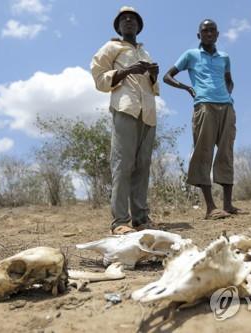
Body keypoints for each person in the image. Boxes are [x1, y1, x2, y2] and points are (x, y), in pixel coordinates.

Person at [91, 6, 159, 234]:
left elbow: (153, 86)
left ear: (139, 26)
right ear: (118, 26)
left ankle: (140, 219)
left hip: (147, 113)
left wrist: (154, 75)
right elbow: (99, 77)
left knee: (143, 166)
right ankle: (120, 221)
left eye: (133, 19)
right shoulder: (112, 47)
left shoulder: (145, 53)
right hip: (126, 108)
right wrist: (127, 70)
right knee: (122, 164)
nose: (129, 21)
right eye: (124, 19)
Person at [163, 19, 240, 219]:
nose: (208, 33)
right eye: (205, 31)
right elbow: (167, 76)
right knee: (203, 152)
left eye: (212, 30)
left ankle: (228, 204)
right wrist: (188, 88)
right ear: (199, 35)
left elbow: (229, 80)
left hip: (227, 107)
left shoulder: (224, 57)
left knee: (226, 152)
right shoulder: (191, 55)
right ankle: (210, 208)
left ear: (218, 34)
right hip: (204, 106)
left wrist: (226, 94)